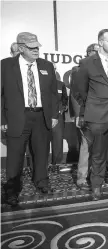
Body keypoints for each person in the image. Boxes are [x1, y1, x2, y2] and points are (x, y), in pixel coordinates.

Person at [1, 32, 59, 206]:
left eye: (37, 47)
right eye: (32, 48)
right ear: (20, 48)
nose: (36, 51)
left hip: (42, 116)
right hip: (17, 117)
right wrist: (2, 120)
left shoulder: (47, 66)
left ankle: (41, 182)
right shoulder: (5, 65)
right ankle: (12, 189)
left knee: (41, 153)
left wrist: (54, 115)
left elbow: (53, 94)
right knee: (15, 156)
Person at [73, 29, 108, 201]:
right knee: (98, 153)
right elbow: (79, 90)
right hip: (97, 116)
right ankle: (96, 185)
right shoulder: (87, 63)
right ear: (100, 43)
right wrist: (93, 106)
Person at [71, 43, 99, 190]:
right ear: (88, 53)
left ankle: (95, 176)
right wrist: (78, 115)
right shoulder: (78, 70)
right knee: (86, 146)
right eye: (94, 51)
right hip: (85, 114)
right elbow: (75, 95)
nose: (97, 54)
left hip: (101, 114)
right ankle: (82, 178)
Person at [50, 63, 68, 165]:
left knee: (57, 141)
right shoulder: (41, 84)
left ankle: (57, 164)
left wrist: (62, 109)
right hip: (43, 117)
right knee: (41, 142)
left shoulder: (61, 84)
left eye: (54, 69)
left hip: (58, 116)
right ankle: (42, 166)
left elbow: (65, 99)